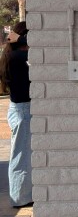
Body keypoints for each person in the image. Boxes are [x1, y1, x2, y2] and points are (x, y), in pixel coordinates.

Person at [0, 21, 33, 207]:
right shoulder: (20, 56)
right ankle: (20, 198)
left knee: (22, 155)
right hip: (23, 111)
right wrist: (22, 38)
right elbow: (42, 50)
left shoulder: (12, 56)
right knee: (21, 157)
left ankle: (22, 196)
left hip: (19, 109)